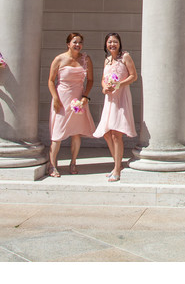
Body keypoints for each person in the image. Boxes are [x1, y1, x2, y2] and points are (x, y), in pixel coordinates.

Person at [47, 32, 95, 177]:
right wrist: (55, 98)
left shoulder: (86, 59)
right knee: (57, 133)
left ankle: (73, 162)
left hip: (78, 98)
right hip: (62, 98)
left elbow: (91, 80)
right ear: (68, 44)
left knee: (76, 132)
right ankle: (52, 165)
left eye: (80, 42)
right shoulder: (59, 59)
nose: (77, 45)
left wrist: (85, 96)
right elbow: (51, 80)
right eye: (74, 42)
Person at [93, 33, 137, 181]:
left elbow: (133, 76)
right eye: (110, 42)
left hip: (121, 98)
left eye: (115, 42)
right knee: (107, 133)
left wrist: (119, 84)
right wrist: (104, 88)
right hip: (110, 99)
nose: (112, 44)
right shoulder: (107, 60)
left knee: (116, 134)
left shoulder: (125, 57)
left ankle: (117, 169)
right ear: (106, 44)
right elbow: (103, 80)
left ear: (120, 43)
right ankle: (117, 164)